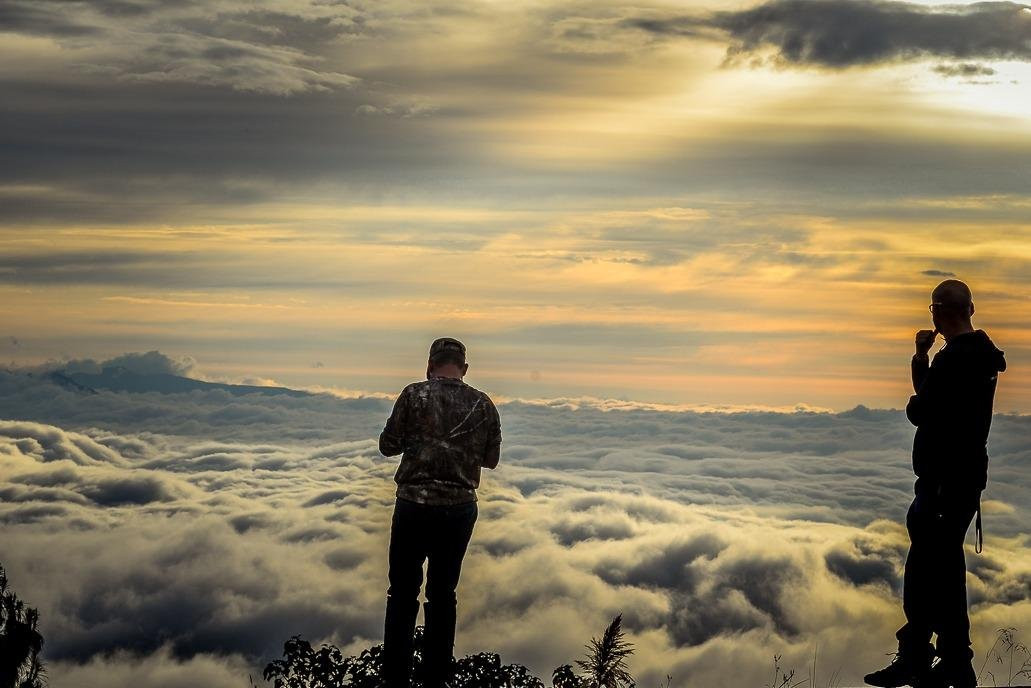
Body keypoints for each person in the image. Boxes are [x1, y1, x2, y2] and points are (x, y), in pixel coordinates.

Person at [865, 280, 1006, 688]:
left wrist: (920, 361)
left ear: (936, 313)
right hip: (965, 480)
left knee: (924, 573)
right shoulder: (983, 357)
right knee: (943, 572)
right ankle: (952, 662)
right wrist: (925, 360)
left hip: (942, 482)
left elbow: (920, 409)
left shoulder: (953, 361)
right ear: (972, 308)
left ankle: (920, 659)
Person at [379, 337, 502, 688]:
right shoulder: (482, 404)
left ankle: (395, 679)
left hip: (414, 505)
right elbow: (491, 460)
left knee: (401, 593)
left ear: (430, 365)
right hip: (459, 509)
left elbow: (387, 446)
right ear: (463, 368)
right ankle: (435, 679)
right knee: (442, 595)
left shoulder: (414, 395)